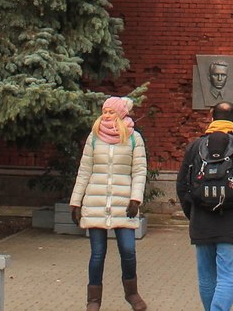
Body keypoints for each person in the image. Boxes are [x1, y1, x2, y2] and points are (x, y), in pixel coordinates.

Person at [177, 101, 233, 311]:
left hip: (202, 222)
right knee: (227, 278)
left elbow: (182, 185)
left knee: (207, 279)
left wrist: (192, 213)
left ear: (211, 118)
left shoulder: (194, 148)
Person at [70, 95, 150, 311]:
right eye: (104, 111)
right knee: (97, 254)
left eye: (110, 112)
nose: (106, 115)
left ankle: (131, 293)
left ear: (121, 113)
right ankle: (93, 299)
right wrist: (75, 202)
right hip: (95, 203)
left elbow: (140, 171)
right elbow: (85, 169)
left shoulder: (134, 138)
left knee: (128, 250)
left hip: (123, 204)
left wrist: (135, 199)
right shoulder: (94, 137)